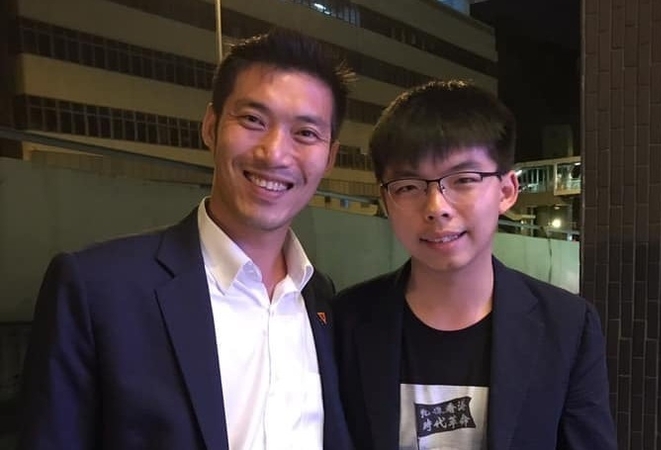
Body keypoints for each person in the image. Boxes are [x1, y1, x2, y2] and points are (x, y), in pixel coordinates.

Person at [19, 28, 354, 450]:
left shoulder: (320, 297)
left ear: (330, 157)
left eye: (305, 133)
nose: (274, 153)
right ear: (211, 126)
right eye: (253, 120)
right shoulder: (96, 289)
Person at [332, 80, 616, 449]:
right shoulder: (346, 321)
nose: (436, 207)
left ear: (506, 191)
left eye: (464, 179)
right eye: (408, 186)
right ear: (386, 201)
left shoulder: (567, 326)